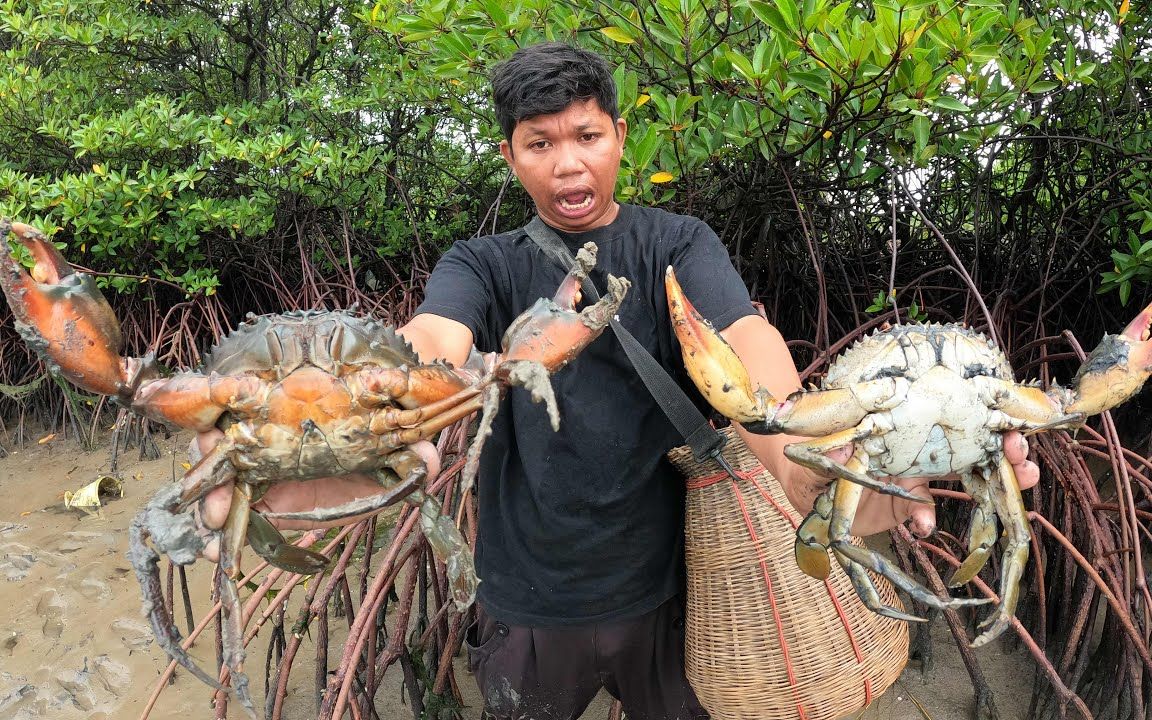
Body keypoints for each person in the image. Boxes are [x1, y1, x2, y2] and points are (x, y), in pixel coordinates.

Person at [198, 42, 1039, 720]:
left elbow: (745, 343)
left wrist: (815, 462)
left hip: (669, 594)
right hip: (527, 599)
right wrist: (354, 425)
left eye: (586, 136)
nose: (568, 164)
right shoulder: (482, 266)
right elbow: (433, 345)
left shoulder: (677, 245)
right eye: (540, 143)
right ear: (510, 155)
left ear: (620, 136)